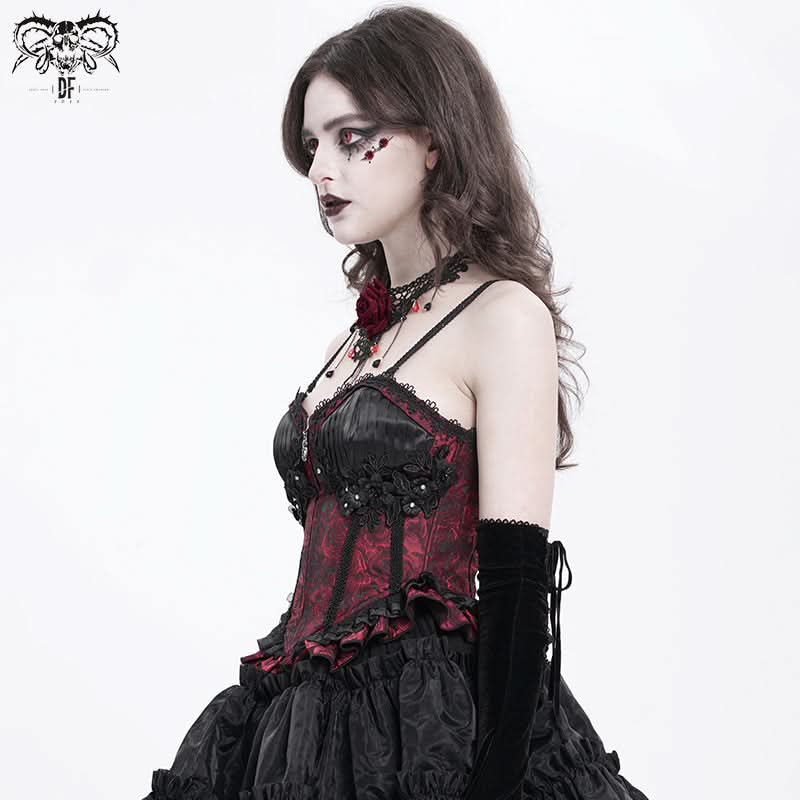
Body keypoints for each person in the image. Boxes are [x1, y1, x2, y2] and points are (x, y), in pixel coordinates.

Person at [143, 6, 650, 799]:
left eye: (352, 138)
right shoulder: (355, 339)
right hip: (301, 720)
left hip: (433, 725)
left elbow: (516, 587)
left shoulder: (502, 316)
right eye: (312, 146)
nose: (322, 171)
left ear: (435, 141)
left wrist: (494, 782)